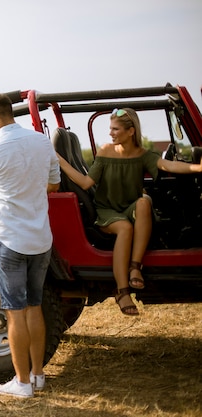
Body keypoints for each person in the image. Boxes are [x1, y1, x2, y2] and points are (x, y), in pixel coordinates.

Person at [57, 107, 202, 316]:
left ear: (131, 131)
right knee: (125, 228)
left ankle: (135, 266)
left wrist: (197, 169)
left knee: (144, 202)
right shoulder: (106, 151)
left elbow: (169, 165)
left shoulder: (143, 155)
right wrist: (60, 161)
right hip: (107, 210)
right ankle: (122, 291)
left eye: (115, 129)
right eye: (111, 128)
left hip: (130, 206)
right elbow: (86, 182)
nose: (111, 133)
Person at [0, 93, 61, 398]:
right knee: (34, 307)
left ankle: (21, 383)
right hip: (40, 237)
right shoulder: (41, 141)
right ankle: (37, 375)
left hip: (8, 238)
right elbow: (54, 183)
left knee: (15, 312)